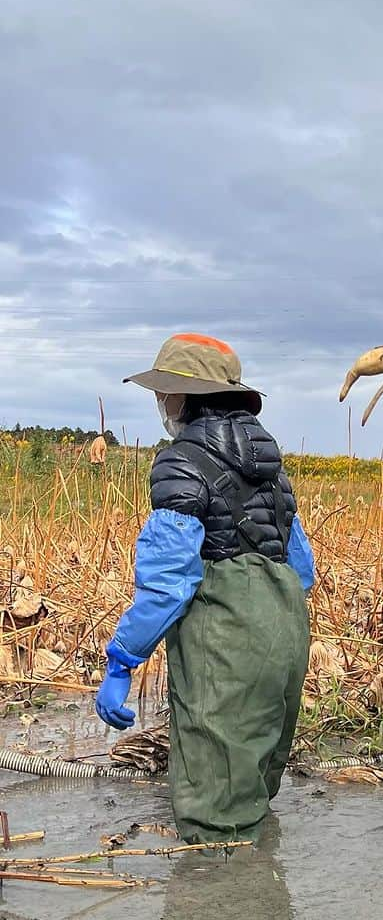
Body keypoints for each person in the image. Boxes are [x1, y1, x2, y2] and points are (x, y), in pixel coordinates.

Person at [94, 333, 314, 842]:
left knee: (215, 814)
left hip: (226, 634)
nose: (160, 404)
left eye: (162, 394)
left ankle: (219, 911)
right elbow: (302, 569)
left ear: (184, 398)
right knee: (254, 780)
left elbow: (167, 584)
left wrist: (122, 661)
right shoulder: (273, 473)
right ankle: (266, 909)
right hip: (285, 630)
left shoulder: (181, 463)